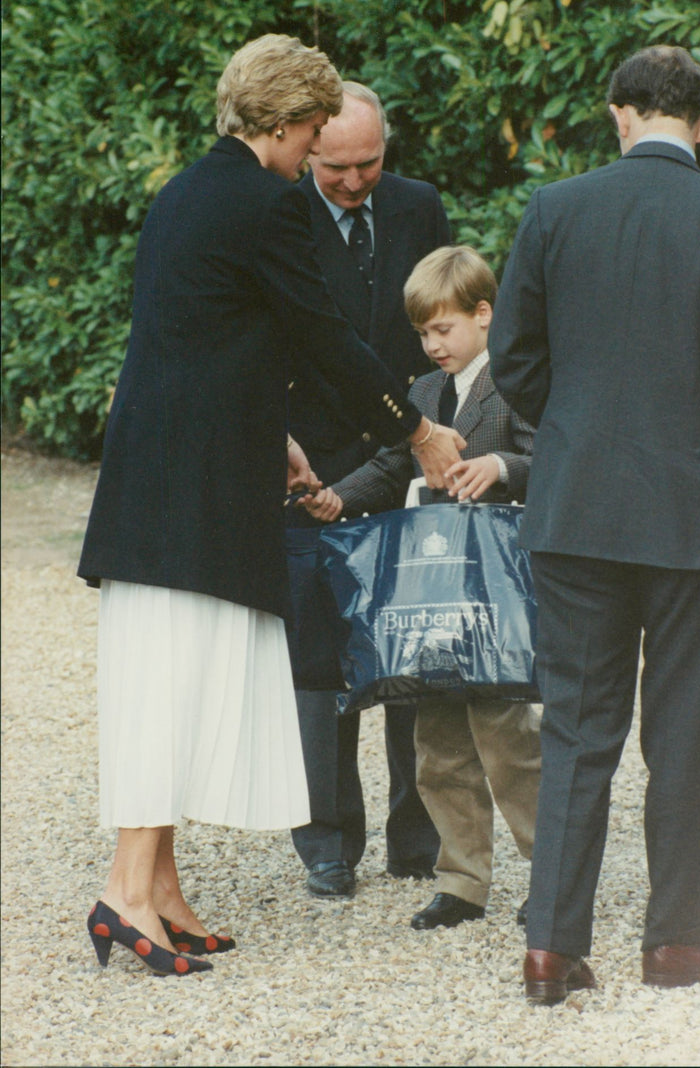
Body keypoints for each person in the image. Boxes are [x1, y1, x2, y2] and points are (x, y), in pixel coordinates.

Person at [77, 34, 464, 977]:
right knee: (169, 684)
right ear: (290, 124)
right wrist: (416, 432)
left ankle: (161, 891)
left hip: (168, 473)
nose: (313, 155)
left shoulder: (187, 191)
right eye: (313, 135)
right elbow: (322, 337)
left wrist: (274, 434)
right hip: (194, 492)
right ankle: (128, 894)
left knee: (172, 673)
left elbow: (194, 338)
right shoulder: (264, 204)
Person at [489, 45, 700, 1004]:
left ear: (619, 113)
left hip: (575, 507)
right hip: (692, 514)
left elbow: (514, 360)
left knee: (578, 728)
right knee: (689, 731)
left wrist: (572, 437)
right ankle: (676, 941)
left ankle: (552, 948)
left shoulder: (553, 211)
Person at [306, 245, 542, 930]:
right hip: (432, 589)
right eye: (423, 333)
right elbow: (389, 464)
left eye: (444, 329)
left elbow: (548, 453)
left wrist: (500, 465)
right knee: (436, 738)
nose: (433, 344)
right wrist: (336, 499)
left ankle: (550, 870)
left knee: (507, 735)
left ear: (483, 313)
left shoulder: (517, 383)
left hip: (494, 586)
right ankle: (462, 879)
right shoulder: (420, 394)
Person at [284, 82, 451, 900]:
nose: (355, 183)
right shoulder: (278, 212)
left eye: (370, 164)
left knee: (415, 656)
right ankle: (327, 840)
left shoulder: (419, 205)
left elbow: (446, 323)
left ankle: (417, 835)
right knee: (319, 662)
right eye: (337, 167)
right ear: (309, 149)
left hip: (406, 464)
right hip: (309, 467)